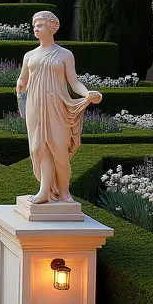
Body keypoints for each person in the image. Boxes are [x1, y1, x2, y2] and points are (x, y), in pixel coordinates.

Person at [15, 11, 102, 204]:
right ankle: (44, 191)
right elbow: (23, 79)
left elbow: (74, 82)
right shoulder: (29, 56)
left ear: (52, 27)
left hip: (57, 106)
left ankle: (64, 192)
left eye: (40, 25)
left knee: (60, 151)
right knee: (40, 149)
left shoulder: (64, 54)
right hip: (35, 106)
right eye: (34, 25)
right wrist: (19, 86)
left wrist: (88, 94)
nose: (36, 28)